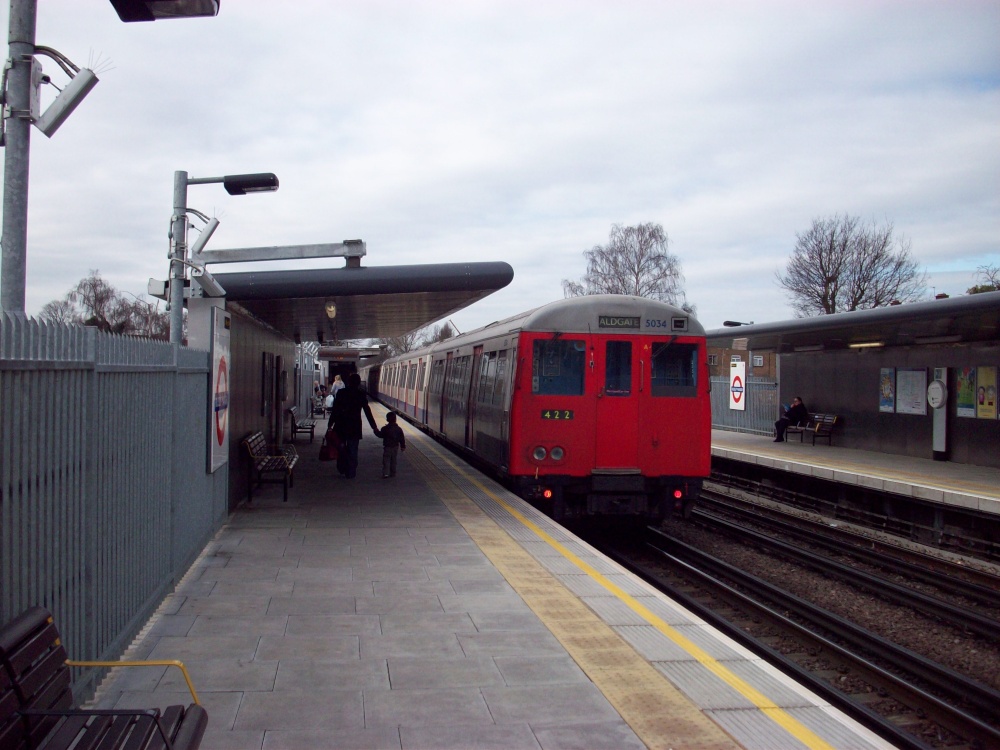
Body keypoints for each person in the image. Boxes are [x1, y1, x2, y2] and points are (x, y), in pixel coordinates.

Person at [328, 372, 380, 478]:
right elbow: (367, 411)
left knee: (341, 447)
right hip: (354, 427)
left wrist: (330, 424)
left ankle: (342, 467)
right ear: (358, 383)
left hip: (341, 426)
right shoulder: (360, 394)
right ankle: (351, 472)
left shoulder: (341, 393)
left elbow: (335, 410)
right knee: (353, 450)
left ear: (348, 382)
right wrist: (374, 426)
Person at [378, 412, 406, 478]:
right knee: (394, 460)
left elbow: (380, 435)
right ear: (395, 419)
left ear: (387, 419)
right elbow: (402, 438)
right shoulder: (399, 429)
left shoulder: (384, 428)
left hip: (387, 447)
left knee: (386, 460)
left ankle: (386, 473)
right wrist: (403, 446)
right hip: (395, 447)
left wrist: (375, 431)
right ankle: (393, 473)